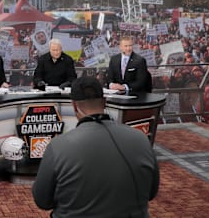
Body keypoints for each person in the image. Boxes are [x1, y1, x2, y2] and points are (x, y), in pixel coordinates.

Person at [32, 77, 159, 218]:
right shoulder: (141, 139)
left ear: (74, 106)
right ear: (105, 102)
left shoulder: (58, 146)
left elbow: (42, 201)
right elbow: (151, 192)